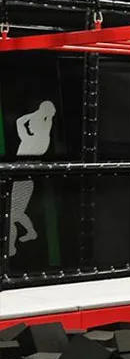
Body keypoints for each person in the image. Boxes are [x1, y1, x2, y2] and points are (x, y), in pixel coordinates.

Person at [9, 100, 55, 256]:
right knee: (17, 212)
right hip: (22, 180)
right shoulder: (37, 137)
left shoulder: (36, 139)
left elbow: (20, 121)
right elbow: (20, 122)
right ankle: (32, 232)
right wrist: (39, 113)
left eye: (33, 122)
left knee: (12, 216)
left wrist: (37, 114)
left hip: (23, 182)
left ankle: (11, 249)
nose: (29, 124)